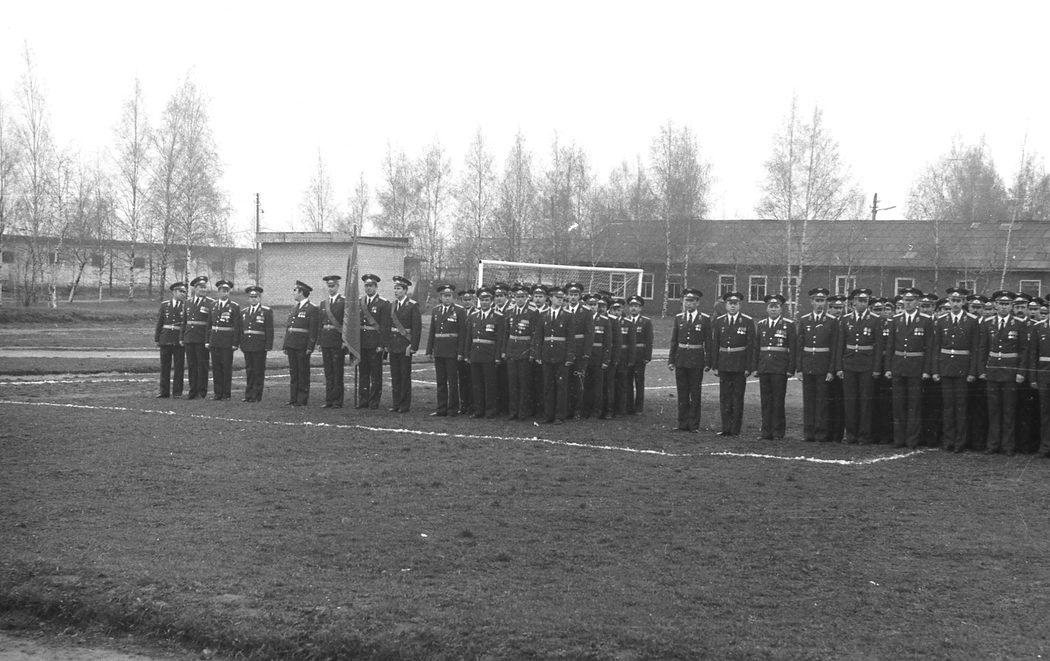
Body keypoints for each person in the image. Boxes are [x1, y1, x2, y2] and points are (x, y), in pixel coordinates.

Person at [978, 290, 1027, 455]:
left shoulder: (1019, 323)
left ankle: (1008, 446)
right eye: (1001, 304)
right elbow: (982, 348)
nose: (1004, 307)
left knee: (1008, 410)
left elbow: (1024, 350)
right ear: (995, 305)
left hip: (1010, 372)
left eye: (1007, 304)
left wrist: (1021, 372)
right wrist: (982, 370)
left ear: (1012, 306)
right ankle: (993, 445)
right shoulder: (987, 322)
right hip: (992, 371)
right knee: (993, 410)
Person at [885, 287, 934, 448]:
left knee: (914, 405)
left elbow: (929, 347)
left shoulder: (926, 320)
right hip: (898, 365)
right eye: (905, 300)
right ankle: (899, 439)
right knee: (898, 404)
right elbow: (890, 346)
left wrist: (926, 370)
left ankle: (912, 440)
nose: (908, 303)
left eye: (911, 300)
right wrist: (888, 368)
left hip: (916, 366)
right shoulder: (896, 319)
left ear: (917, 302)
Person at [931, 287, 979, 452]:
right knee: (948, 406)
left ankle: (960, 442)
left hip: (962, 369)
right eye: (953, 300)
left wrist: (972, 372)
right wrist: (935, 370)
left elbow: (975, 348)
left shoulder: (972, 320)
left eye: (959, 301)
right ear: (949, 301)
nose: (956, 304)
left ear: (964, 302)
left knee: (961, 406)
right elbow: (936, 347)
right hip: (945, 368)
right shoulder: (941, 320)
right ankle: (948, 440)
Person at [834, 288, 882, 444]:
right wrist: (839, 367)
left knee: (865, 401)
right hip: (849, 364)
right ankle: (851, 434)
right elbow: (840, 345)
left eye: (865, 301)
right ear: (853, 302)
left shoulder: (875, 319)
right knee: (850, 400)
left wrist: (876, 368)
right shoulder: (845, 319)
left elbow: (878, 346)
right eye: (859, 301)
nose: (862, 304)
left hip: (867, 364)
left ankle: (864, 435)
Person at [711, 291, 755, 436]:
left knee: (737, 398)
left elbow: (751, 345)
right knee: (724, 397)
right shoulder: (719, 321)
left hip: (740, 365)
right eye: (730, 303)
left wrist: (749, 367)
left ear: (739, 305)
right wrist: (715, 365)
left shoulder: (747, 321)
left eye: (735, 304)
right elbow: (715, 344)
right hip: (724, 364)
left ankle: (735, 429)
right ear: (725, 305)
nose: (732, 306)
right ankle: (726, 428)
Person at [796, 287, 837, 442]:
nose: (820, 304)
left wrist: (831, 370)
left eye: (822, 301)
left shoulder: (832, 321)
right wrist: (799, 368)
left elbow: (834, 347)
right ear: (811, 302)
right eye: (817, 300)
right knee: (808, 400)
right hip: (808, 365)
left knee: (822, 401)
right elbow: (800, 346)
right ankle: (809, 433)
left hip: (823, 366)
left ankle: (821, 433)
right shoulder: (804, 320)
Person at [668, 288, 711, 432]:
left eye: (692, 301)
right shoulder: (679, 318)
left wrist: (708, 362)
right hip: (681, 359)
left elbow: (708, 342)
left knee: (695, 393)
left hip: (696, 360)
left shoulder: (704, 319)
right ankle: (682, 423)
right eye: (686, 300)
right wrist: (671, 360)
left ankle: (693, 424)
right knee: (682, 392)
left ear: (697, 303)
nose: (688, 304)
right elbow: (674, 341)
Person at [753, 293, 795, 440]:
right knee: (765, 401)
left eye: (776, 306)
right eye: (771, 306)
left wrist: (790, 369)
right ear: (767, 308)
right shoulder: (761, 324)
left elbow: (793, 348)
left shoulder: (788, 325)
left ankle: (778, 431)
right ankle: (766, 431)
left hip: (780, 368)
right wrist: (756, 367)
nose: (773, 309)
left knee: (778, 400)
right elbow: (757, 347)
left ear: (781, 308)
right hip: (765, 367)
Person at [533, 286, 575, 424]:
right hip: (547, 355)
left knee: (561, 387)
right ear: (550, 298)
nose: (560, 300)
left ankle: (559, 415)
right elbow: (539, 337)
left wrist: (569, 356)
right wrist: (538, 355)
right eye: (557, 298)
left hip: (561, 356)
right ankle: (548, 415)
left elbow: (571, 338)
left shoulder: (568, 316)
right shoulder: (543, 315)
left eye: (562, 298)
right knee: (548, 386)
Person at [464, 287, 505, 418]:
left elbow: (500, 339)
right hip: (475, 354)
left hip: (489, 355)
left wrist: (497, 357)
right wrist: (467, 354)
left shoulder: (498, 317)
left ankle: (490, 410)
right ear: (479, 301)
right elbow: (469, 337)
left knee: (490, 385)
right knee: (477, 384)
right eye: (482, 300)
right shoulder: (473, 316)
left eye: (487, 300)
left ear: (491, 301)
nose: (484, 302)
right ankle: (478, 410)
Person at [425, 284, 466, 416]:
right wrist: (429, 350)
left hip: (452, 351)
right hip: (439, 350)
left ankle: (453, 408)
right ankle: (441, 408)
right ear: (440, 297)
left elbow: (462, 333)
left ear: (453, 297)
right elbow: (432, 331)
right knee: (441, 381)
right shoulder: (436, 310)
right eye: (444, 296)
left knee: (452, 381)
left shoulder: (459, 310)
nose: (447, 298)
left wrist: (460, 352)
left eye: (449, 296)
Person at [504, 284, 538, 421]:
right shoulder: (509, 311)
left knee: (524, 383)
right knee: (512, 383)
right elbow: (506, 333)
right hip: (512, 350)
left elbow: (535, 334)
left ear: (527, 297)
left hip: (525, 350)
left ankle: (523, 412)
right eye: (517, 296)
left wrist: (532, 352)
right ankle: (513, 411)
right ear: (514, 297)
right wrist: (505, 351)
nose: (519, 299)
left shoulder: (532, 312)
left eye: (522, 296)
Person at [356, 274, 391, 409]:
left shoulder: (383, 303)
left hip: (375, 344)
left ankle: (374, 401)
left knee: (375, 374)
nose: (368, 288)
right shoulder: (360, 302)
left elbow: (385, 326)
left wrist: (382, 345)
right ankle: (363, 400)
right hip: (362, 343)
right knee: (363, 373)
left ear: (376, 287)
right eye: (366, 285)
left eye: (370, 286)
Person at [388, 276, 422, 413]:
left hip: (405, 345)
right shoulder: (392, 305)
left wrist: (413, 346)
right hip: (393, 345)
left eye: (399, 288)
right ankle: (396, 403)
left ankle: (404, 404)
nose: (396, 291)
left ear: (405, 290)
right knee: (395, 376)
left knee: (404, 376)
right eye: (395, 288)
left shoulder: (412, 305)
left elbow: (417, 328)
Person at [283, 280, 319, 406]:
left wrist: (310, 346)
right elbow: (289, 327)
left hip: (302, 345)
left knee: (302, 372)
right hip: (292, 344)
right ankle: (293, 398)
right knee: (293, 372)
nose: (293, 293)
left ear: (301, 292)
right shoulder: (294, 308)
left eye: (295, 290)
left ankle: (302, 398)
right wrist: (286, 344)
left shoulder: (312, 308)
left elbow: (313, 329)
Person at [204, 279, 241, 400]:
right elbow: (209, 325)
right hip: (215, 340)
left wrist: (235, 343)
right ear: (218, 292)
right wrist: (207, 340)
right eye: (222, 291)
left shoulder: (234, 306)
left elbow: (237, 326)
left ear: (229, 292)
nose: (224, 293)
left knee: (226, 368)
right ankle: (217, 393)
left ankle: (226, 393)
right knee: (216, 368)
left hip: (227, 342)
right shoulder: (213, 305)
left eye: (226, 291)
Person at [563, 282, 594, 418]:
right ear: (567, 296)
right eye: (571, 294)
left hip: (580, 351)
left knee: (578, 381)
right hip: (565, 351)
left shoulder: (586, 312)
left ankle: (577, 410)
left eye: (576, 295)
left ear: (580, 296)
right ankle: (567, 409)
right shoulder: (563, 310)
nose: (573, 297)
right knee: (566, 381)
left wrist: (586, 353)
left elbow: (589, 334)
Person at [581, 292, 613, 419]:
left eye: (595, 304)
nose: (593, 307)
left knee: (598, 385)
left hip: (598, 357)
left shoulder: (604, 321)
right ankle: (585, 410)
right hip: (585, 357)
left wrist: (606, 359)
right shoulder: (582, 319)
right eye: (590, 304)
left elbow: (608, 342)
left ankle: (597, 410)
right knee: (586, 384)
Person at [240, 285, 274, 402]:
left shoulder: (266, 311)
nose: (253, 299)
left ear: (259, 298)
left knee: (258, 371)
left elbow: (269, 329)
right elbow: (241, 330)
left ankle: (257, 395)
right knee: (249, 370)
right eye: (251, 297)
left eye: (255, 297)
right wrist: (241, 343)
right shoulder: (244, 312)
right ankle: (248, 394)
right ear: (248, 298)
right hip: (247, 345)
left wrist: (268, 345)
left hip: (259, 345)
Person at [182, 275, 213, 400]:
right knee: (191, 365)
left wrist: (208, 340)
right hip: (189, 338)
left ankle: (201, 391)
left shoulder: (210, 303)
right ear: (195, 288)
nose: (203, 289)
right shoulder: (188, 302)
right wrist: (182, 337)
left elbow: (210, 324)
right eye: (201, 287)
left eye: (205, 287)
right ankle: (192, 390)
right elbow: (184, 322)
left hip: (202, 339)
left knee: (202, 366)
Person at [318, 275, 347, 408]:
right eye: (329, 286)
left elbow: (346, 323)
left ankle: (337, 400)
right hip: (326, 340)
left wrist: (345, 340)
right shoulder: (323, 303)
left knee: (337, 372)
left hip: (337, 340)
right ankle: (329, 400)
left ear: (337, 286)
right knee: (328, 372)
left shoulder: (343, 302)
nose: (330, 289)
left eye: (333, 286)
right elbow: (320, 324)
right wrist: (319, 341)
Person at [154, 281, 187, 398]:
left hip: (179, 340)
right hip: (165, 338)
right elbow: (160, 322)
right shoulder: (165, 305)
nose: (183, 294)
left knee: (179, 367)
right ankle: (164, 391)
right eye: (181, 291)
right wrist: (157, 338)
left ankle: (177, 392)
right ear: (174, 292)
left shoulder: (186, 306)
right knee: (165, 366)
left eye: (185, 292)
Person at [622, 295, 653, 414]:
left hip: (640, 356)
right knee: (627, 381)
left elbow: (649, 340)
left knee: (639, 382)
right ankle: (628, 406)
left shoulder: (646, 321)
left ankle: (639, 407)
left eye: (636, 306)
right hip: (627, 356)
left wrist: (647, 356)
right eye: (631, 306)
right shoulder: (624, 320)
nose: (633, 308)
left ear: (640, 308)